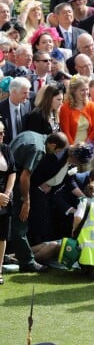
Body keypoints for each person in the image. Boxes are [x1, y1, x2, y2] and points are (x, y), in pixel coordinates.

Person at [9, 131, 69, 273]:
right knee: (20, 223)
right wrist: (26, 200)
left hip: (6, 177)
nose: (56, 154)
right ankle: (28, 262)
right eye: (58, 151)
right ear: (53, 145)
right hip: (13, 182)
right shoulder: (38, 149)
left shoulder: (30, 135)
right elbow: (25, 176)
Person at [59, 75, 94, 145]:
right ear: (74, 91)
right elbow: (65, 131)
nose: (86, 93)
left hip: (88, 147)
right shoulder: (65, 108)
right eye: (82, 90)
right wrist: (74, 148)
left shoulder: (92, 106)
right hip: (71, 147)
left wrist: (86, 145)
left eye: (87, 89)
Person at [0, 121, 14, 285]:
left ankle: (0, 269)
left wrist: (7, 194)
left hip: (5, 200)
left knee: (2, 237)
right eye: (0, 133)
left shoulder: (6, 149)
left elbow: (12, 172)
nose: (3, 136)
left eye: (3, 132)